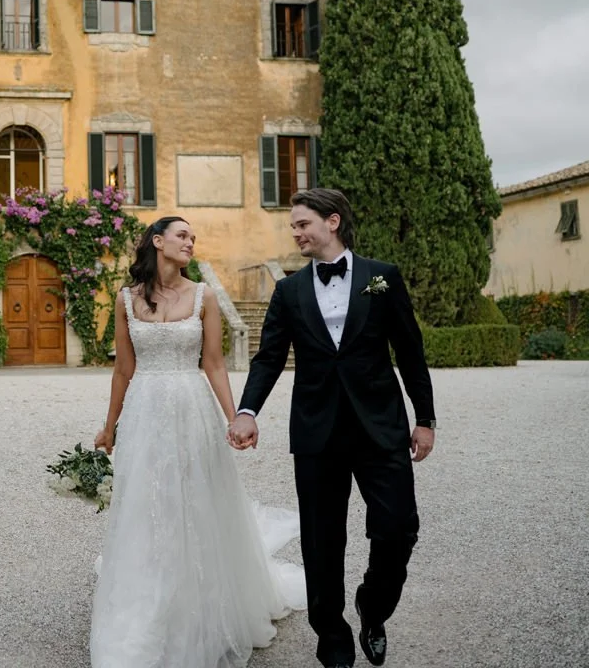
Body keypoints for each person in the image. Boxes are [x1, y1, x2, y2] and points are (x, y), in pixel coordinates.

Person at [229, 188, 435, 668]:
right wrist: (247, 410)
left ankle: (373, 604)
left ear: (333, 221)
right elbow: (268, 358)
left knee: (398, 527)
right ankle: (333, 637)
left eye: (303, 223)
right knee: (322, 539)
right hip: (317, 432)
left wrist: (424, 419)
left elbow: (410, 353)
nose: (296, 232)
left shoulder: (382, 277)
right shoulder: (288, 291)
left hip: (380, 428)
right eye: (293, 226)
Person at [89, 216, 305, 668]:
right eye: (182, 235)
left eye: (193, 237)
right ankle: (149, 602)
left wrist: (236, 418)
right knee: (148, 506)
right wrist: (109, 427)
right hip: (146, 412)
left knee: (198, 501)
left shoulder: (203, 296)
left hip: (192, 410)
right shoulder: (126, 298)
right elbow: (123, 369)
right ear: (158, 241)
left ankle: (204, 603)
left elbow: (214, 365)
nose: (190, 242)